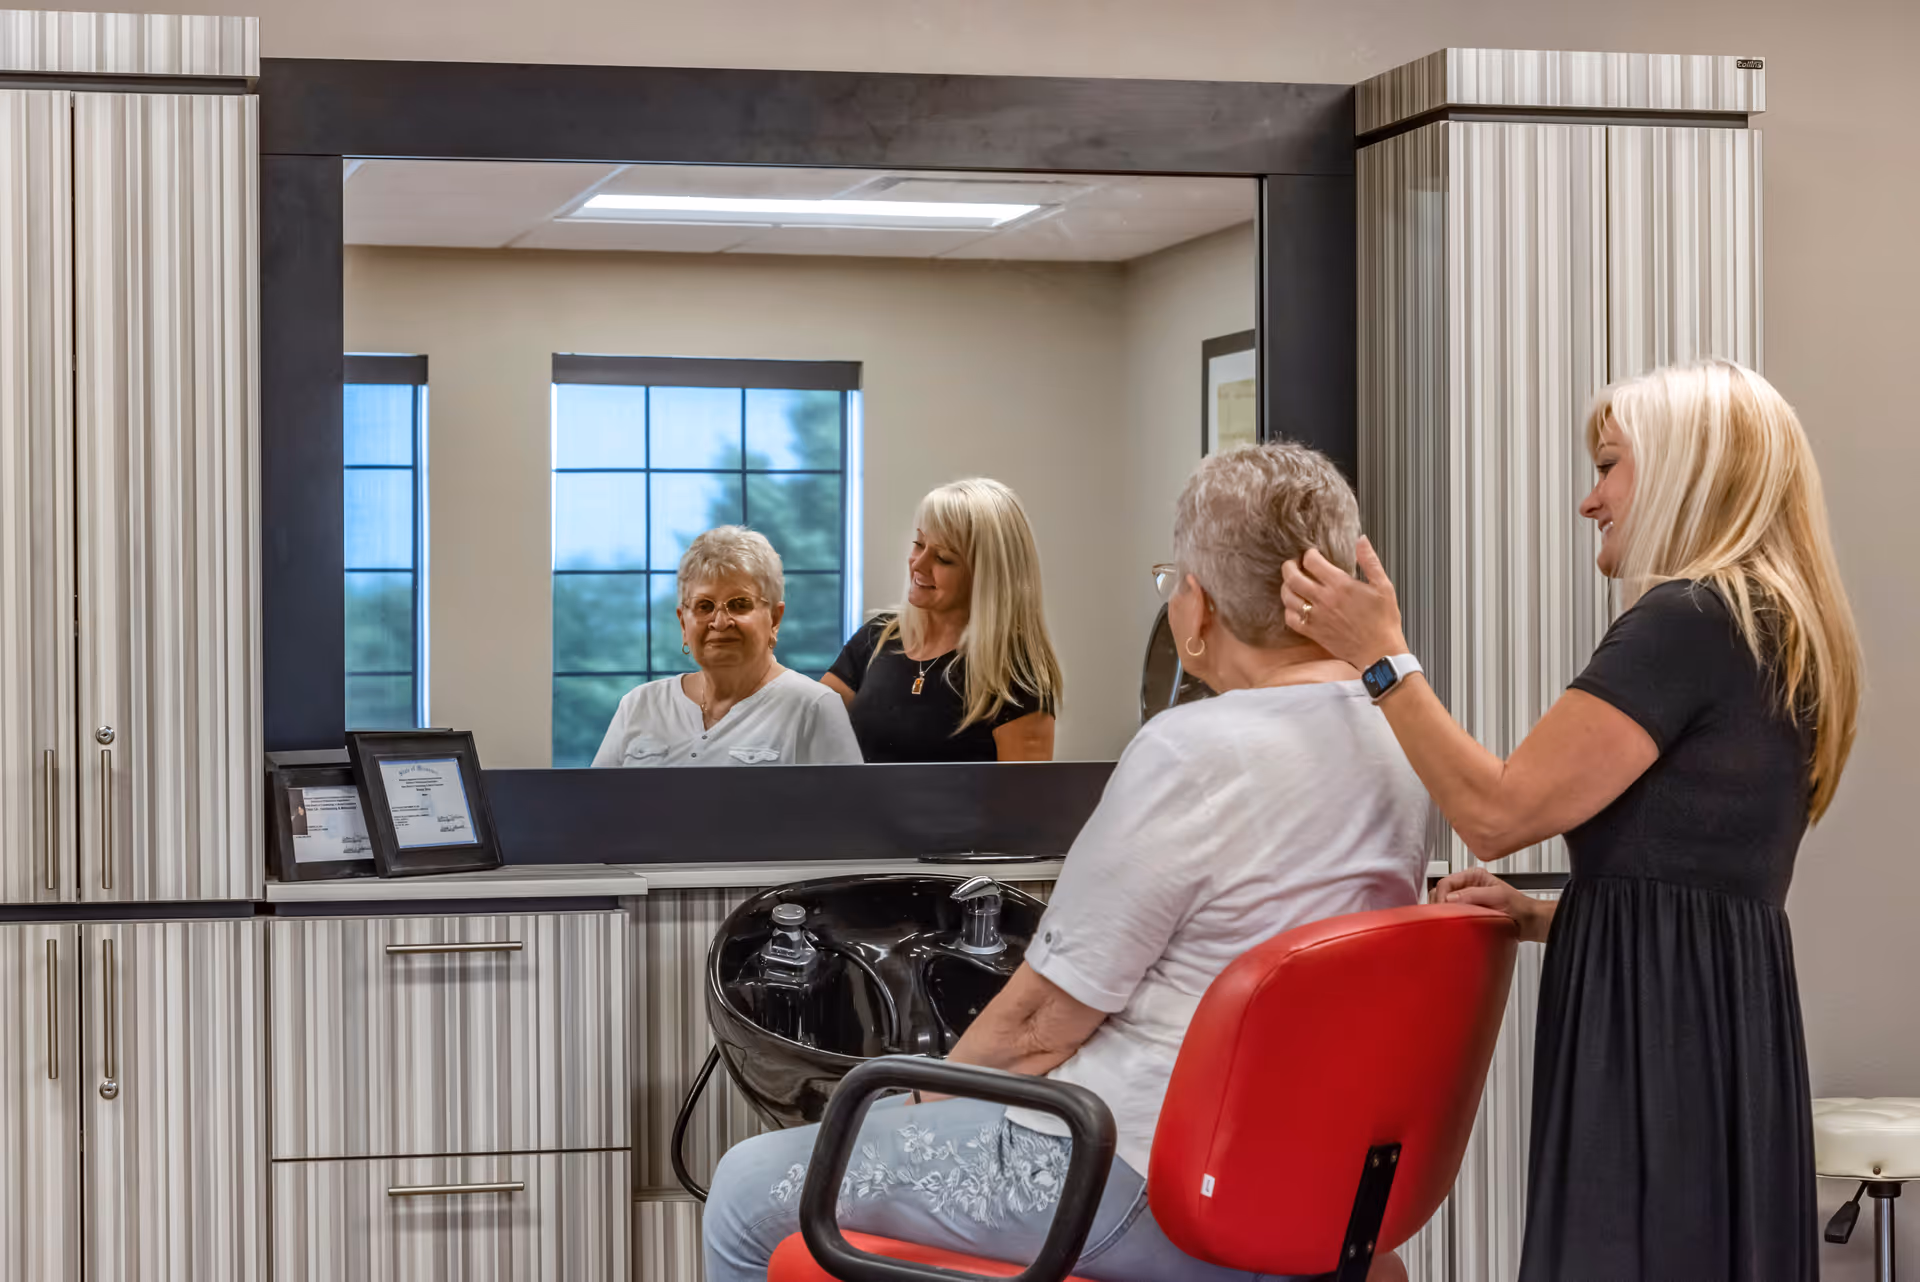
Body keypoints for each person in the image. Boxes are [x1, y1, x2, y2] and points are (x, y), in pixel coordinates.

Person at [703, 443, 1431, 1282]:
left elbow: (1038, 1027)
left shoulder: (1191, 750)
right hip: (1312, 1183)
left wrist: (908, 1104)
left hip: (1126, 1174)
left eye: (1174, 580)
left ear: (1197, 604)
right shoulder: (1399, 737)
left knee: (745, 1184)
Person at [1280, 359, 1862, 1282]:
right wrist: (1539, 914)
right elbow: (1698, 884)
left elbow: (1494, 812)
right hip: (1724, 1027)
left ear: (1686, 471)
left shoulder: (1686, 620)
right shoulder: (1776, 626)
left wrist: (1381, 658)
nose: (1590, 501)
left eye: (1608, 467)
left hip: (1654, 1041)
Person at [822, 478, 1062, 762]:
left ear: (987, 576)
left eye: (944, 558)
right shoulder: (877, 637)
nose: (918, 564)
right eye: (919, 543)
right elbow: (809, 725)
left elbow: (1026, 801)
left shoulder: (1014, 674)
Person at [591, 526, 862, 767]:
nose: (720, 622)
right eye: (704, 606)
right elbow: (593, 813)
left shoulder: (814, 706)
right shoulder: (639, 704)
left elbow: (847, 820)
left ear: (775, 619)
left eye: (740, 604)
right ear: (683, 624)